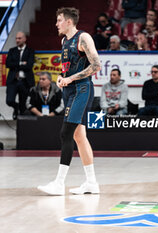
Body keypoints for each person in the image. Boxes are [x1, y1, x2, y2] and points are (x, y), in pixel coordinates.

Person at [37, 7, 101, 196]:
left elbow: (96, 65)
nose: (56, 24)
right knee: (79, 137)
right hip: (70, 90)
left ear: (69, 22)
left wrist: (71, 79)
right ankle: (91, 183)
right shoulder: (64, 41)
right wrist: (61, 77)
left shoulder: (83, 38)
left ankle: (59, 184)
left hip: (82, 89)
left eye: (59, 20)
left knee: (66, 134)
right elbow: (69, 69)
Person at [6, 31, 35, 120]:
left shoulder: (30, 51)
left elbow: (29, 65)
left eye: (19, 38)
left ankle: (21, 128)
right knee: (9, 100)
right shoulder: (12, 51)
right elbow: (8, 64)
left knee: (23, 104)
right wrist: (22, 63)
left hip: (25, 81)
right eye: (16, 38)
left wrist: (16, 65)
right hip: (13, 81)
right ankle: (16, 107)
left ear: (24, 39)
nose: (17, 40)